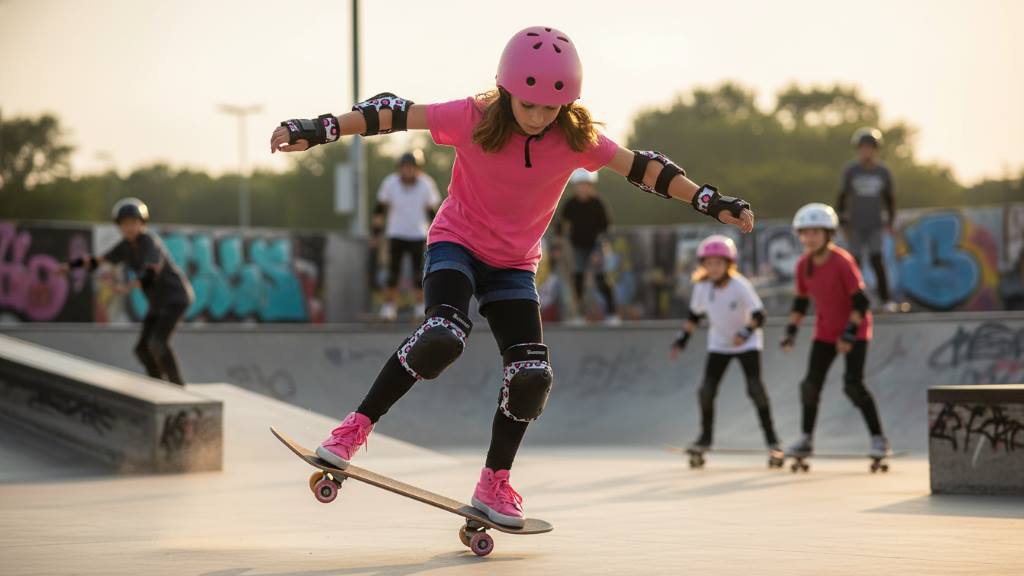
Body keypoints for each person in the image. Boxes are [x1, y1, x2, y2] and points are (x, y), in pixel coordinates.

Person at [269, 26, 754, 527]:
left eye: (551, 109)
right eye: (529, 106)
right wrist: (319, 127)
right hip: (455, 244)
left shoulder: (575, 138)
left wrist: (710, 201)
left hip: (515, 266)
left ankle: (493, 483)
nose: (540, 118)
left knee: (531, 377)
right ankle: (351, 431)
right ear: (505, 91)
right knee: (443, 336)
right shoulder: (471, 116)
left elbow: (646, 169)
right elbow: (390, 112)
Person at [782, 203, 890, 460]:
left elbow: (861, 303)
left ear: (828, 234)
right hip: (825, 331)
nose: (809, 238)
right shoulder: (803, 265)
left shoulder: (842, 261)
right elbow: (800, 302)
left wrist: (849, 334)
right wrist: (790, 332)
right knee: (810, 385)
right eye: (805, 233)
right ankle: (806, 440)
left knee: (853, 385)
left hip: (856, 328)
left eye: (815, 233)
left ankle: (878, 439)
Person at [61, 198, 194, 385]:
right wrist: (69, 266)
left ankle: (178, 386)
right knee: (141, 350)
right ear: (119, 227)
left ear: (142, 224)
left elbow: (151, 272)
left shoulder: (149, 242)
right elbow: (98, 260)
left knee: (157, 343)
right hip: (157, 303)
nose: (129, 228)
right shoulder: (125, 246)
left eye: (133, 223)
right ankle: (158, 385)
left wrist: (127, 286)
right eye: (125, 225)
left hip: (175, 298)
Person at [670, 235, 780, 458]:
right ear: (703, 265)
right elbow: (694, 316)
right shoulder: (701, 287)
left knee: (755, 389)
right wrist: (681, 340)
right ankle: (705, 439)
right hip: (719, 343)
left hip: (746, 343)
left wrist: (745, 332)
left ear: (728, 264)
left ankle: (772, 441)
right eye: (709, 264)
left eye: (718, 263)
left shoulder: (740, 285)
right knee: (706, 391)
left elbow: (760, 315)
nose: (713, 268)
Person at [373, 150, 441, 320]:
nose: (409, 171)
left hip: (418, 234)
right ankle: (389, 307)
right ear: (400, 168)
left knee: (419, 273)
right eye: (405, 167)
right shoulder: (390, 183)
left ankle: (420, 306)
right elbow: (380, 210)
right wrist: (375, 233)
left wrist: (437, 236)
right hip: (396, 233)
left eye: (412, 168)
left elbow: (432, 213)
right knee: (392, 272)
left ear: (418, 169)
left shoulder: (426, 184)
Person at [836, 127, 897, 312]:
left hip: (875, 224)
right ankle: (853, 300)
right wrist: (842, 222)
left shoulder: (882, 172)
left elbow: (889, 199)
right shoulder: (851, 171)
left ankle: (886, 300)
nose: (866, 152)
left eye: (870, 148)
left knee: (877, 260)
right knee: (854, 263)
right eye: (863, 148)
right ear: (858, 150)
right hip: (855, 224)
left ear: (876, 150)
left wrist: (891, 222)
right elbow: (842, 197)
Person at [556, 168, 619, 325]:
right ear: (575, 187)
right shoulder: (570, 205)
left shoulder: (597, 204)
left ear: (591, 186)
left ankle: (612, 314)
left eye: (586, 185)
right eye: (580, 185)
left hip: (597, 246)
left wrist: (599, 249)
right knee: (578, 279)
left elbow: (606, 228)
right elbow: (560, 225)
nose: (583, 189)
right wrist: (558, 246)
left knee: (601, 279)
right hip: (578, 247)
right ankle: (579, 316)